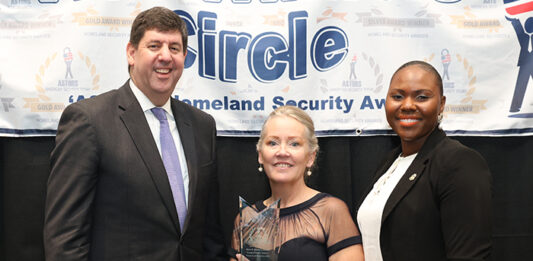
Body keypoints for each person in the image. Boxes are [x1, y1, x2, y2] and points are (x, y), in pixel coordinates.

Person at [44, 7, 226, 260]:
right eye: (154, 46)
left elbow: (210, 232)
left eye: (174, 48)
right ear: (131, 53)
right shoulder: (89, 121)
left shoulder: (202, 126)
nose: (166, 56)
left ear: (184, 56)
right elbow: (65, 236)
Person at [356, 61, 492, 261]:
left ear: (441, 104)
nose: (408, 105)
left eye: (422, 97)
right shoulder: (390, 162)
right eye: (397, 96)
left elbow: (469, 255)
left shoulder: (459, 162)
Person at [230, 106, 364, 261]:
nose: (282, 152)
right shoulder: (246, 218)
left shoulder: (331, 211)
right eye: (272, 143)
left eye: (294, 144)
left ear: (310, 157)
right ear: (260, 155)